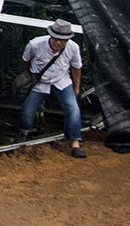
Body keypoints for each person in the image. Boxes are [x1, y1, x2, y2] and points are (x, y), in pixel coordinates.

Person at [15, 19, 86, 158]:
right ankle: (23, 133)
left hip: (62, 81)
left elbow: (76, 67)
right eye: (56, 39)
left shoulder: (73, 48)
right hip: (39, 82)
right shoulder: (35, 44)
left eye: (63, 40)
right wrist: (26, 80)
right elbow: (25, 61)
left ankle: (75, 143)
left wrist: (77, 86)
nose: (59, 42)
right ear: (51, 36)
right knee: (28, 110)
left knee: (73, 108)